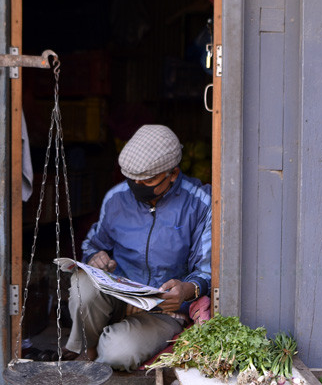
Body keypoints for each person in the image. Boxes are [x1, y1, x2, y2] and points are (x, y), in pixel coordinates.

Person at [62, 124, 211, 370]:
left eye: (148, 180)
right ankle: (87, 349)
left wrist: (186, 290)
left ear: (173, 173)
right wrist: (96, 257)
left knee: (116, 355)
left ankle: (112, 342)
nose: (137, 185)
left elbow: (206, 270)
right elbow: (93, 244)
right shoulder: (116, 198)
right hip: (118, 297)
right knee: (82, 283)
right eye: (132, 179)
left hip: (163, 310)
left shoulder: (200, 204)